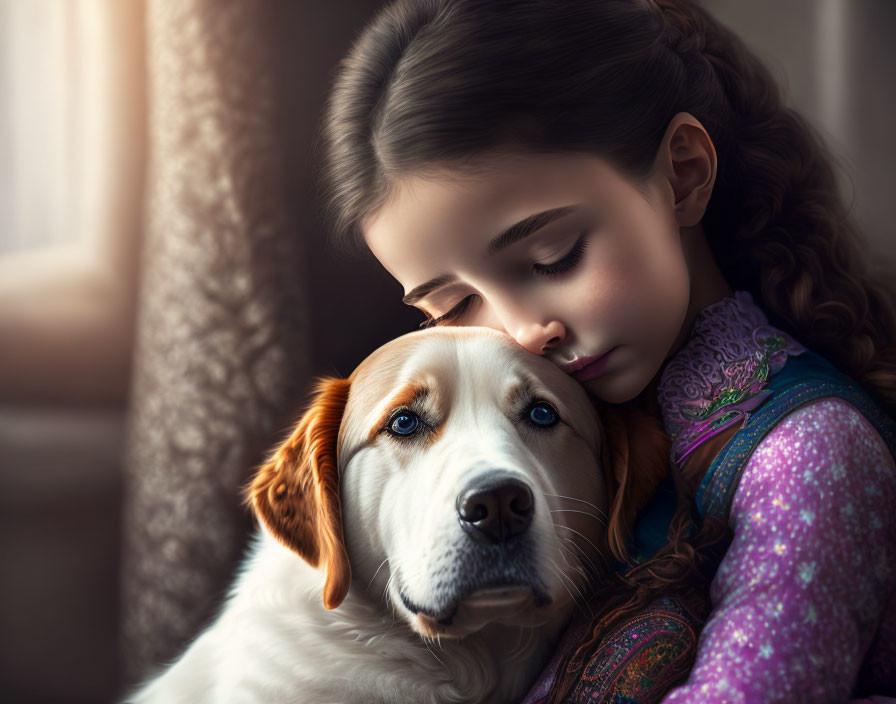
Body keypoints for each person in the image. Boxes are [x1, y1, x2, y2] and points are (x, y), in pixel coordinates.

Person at [314, 0, 896, 700]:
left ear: (682, 174)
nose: (523, 331)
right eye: (455, 307)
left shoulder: (810, 454)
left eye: (554, 257)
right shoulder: (546, 433)